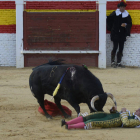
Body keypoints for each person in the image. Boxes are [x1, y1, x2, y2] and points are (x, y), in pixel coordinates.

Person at [61, 106, 140, 130]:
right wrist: (113, 110)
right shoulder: (131, 113)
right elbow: (119, 114)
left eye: (139, 110)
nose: (137, 109)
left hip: (110, 122)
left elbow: (125, 122)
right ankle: (67, 122)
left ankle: (70, 126)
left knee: (91, 122)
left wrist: (123, 112)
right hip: (107, 115)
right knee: (88, 116)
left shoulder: (137, 121)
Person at [107, 0, 132, 68]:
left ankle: (118, 62)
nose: (122, 8)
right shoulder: (115, 13)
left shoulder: (127, 15)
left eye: (123, 7)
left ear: (124, 8)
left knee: (121, 48)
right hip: (115, 33)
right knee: (115, 47)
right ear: (119, 7)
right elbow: (108, 20)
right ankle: (112, 62)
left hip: (122, 34)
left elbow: (130, 23)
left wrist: (126, 24)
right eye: (121, 7)